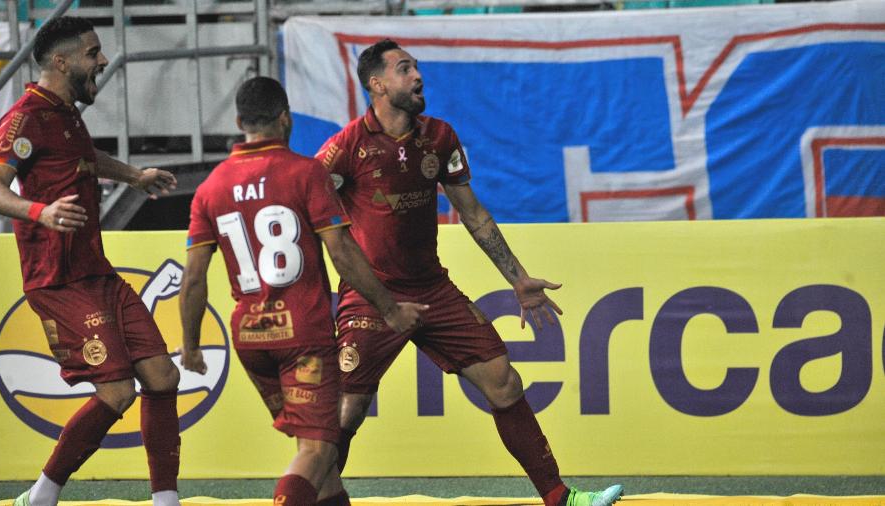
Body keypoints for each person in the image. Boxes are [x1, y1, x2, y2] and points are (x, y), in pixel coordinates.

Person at [315, 39, 624, 506]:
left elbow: (474, 214)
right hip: (373, 296)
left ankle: (561, 497)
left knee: (504, 382)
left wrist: (518, 278)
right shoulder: (345, 148)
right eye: (404, 69)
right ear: (377, 84)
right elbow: (311, 210)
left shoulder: (439, 137)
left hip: (432, 290)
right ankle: (313, 496)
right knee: (345, 413)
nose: (417, 76)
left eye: (416, 67)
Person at [178, 76, 427, 506]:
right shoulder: (305, 172)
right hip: (302, 337)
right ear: (285, 118)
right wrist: (389, 310)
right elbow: (342, 251)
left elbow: (194, 278)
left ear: (239, 121)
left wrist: (190, 345)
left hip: (251, 340)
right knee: (318, 450)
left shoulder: (210, 188)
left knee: (322, 467)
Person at [0, 16, 181, 506]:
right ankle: (42, 496)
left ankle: (166, 500)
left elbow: (83, 157)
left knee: (163, 376)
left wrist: (133, 175)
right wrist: (40, 211)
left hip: (97, 272)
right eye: (93, 52)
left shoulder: (66, 113)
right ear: (61, 61)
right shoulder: (26, 117)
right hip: (58, 280)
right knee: (116, 393)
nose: (102, 60)